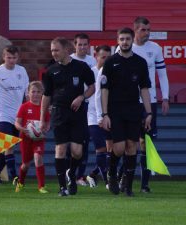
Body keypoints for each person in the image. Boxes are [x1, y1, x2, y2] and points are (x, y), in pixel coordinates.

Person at [40, 37, 95, 197]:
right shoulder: (50, 70)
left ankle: (71, 174)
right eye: (52, 50)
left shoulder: (81, 67)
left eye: (56, 50)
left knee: (77, 152)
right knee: (61, 148)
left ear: (66, 50)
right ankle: (62, 187)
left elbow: (92, 87)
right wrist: (43, 118)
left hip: (77, 114)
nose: (53, 53)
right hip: (59, 113)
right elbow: (46, 95)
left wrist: (81, 97)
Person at [101, 27, 152, 197]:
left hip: (133, 110)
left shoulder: (140, 62)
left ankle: (128, 186)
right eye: (121, 39)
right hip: (115, 110)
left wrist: (148, 113)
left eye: (127, 39)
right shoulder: (110, 62)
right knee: (119, 147)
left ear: (132, 40)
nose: (124, 42)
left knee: (132, 146)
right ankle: (112, 173)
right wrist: (105, 114)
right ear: (117, 40)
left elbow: (144, 89)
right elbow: (104, 90)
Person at [132, 16, 169, 193]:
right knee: (129, 143)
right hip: (129, 103)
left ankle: (144, 184)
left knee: (147, 144)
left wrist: (166, 98)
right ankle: (126, 181)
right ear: (135, 30)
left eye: (148, 30)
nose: (146, 33)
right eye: (143, 30)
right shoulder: (125, 48)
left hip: (150, 102)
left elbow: (162, 75)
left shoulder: (155, 49)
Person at [0, 45, 29, 185]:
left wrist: (30, 111)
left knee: (8, 146)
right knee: (8, 145)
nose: (11, 60)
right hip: (2, 114)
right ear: (3, 57)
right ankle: (14, 177)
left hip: (18, 115)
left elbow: (27, 93)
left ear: (18, 57)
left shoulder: (22, 71)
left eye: (14, 58)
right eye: (9, 57)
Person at [68, 33, 97, 186]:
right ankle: (69, 172)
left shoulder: (92, 61)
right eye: (80, 44)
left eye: (85, 44)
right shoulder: (70, 60)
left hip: (87, 105)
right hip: (71, 105)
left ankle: (80, 176)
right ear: (75, 45)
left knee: (85, 141)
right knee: (70, 141)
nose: (83, 47)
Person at [14, 81, 49, 194]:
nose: (36, 94)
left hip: (38, 140)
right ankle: (21, 182)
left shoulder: (44, 108)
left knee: (38, 158)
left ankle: (41, 186)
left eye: (38, 92)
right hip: (26, 139)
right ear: (28, 93)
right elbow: (17, 123)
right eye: (33, 91)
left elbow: (48, 124)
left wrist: (45, 129)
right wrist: (22, 129)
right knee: (25, 164)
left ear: (42, 94)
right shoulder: (24, 107)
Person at [84, 45, 111, 188]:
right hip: (93, 118)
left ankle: (93, 174)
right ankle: (108, 182)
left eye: (108, 58)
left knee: (111, 151)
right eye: (103, 57)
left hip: (108, 116)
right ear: (96, 56)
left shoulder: (112, 72)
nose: (105, 61)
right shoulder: (90, 73)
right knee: (101, 149)